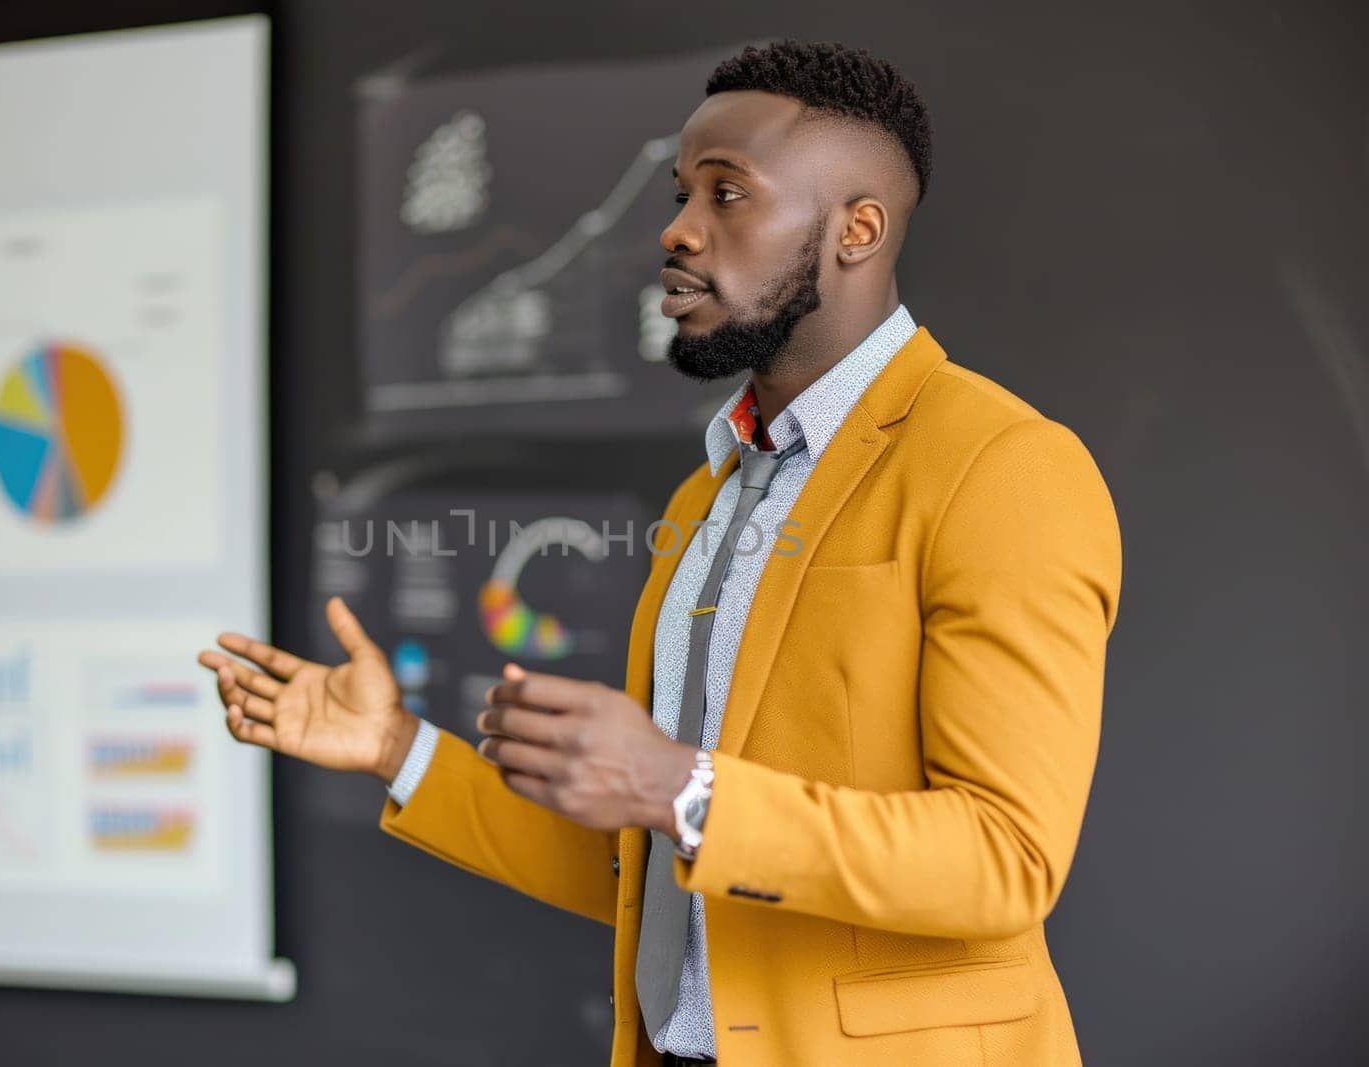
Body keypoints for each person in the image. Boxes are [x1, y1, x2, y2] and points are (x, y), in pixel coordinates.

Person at [198, 39, 1121, 1067]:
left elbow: (1005, 860)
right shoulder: (709, 489)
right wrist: (396, 749)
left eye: (728, 194)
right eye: (681, 193)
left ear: (857, 231)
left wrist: (682, 787)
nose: (676, 230)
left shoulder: (1002, 465)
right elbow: (652, 861)